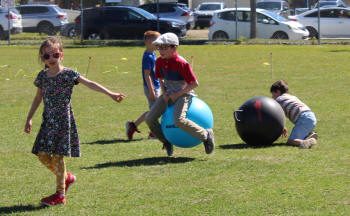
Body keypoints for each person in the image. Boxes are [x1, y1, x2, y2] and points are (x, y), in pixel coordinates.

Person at [24, 37, 125, 206]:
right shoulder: (42, 76)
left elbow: (90, 84)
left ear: (61, 55)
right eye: (46, 56)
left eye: (54, 54)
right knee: (41, 154)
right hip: (48, 122)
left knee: (58, 157)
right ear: (42, 59)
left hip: (63, 121)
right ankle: (66, 178)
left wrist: (111, 93)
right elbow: (37, 98)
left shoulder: (69, 74)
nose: (51, 59)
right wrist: (29, 118)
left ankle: (60, 195)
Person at [145, 32, 215, 156]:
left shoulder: (181, 63)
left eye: (164, 47)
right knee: (149, 119)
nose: (161, 50)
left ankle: (205, 135)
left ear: (174, 47)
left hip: (184, 94)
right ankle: (166, 141)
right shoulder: (159, 61)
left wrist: (178, 94)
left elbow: (194, 83)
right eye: (159, 47)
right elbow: (160, 78)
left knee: (179, 120)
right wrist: (164, 92)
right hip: (168, 94)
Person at [125, 31, 161, 140]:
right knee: (155, 111)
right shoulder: (148, 57)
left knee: (155, 111)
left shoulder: (153, 54)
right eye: (157, 41)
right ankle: (153, 132)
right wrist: (151, 90)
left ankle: (134, 125)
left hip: (156, 86)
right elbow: (147, 75)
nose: (159, 43)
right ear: (148, 42)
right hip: (151, 88)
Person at [270, 80, 318, 148]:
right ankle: (310, 135)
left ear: (278, 91)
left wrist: (282, 126)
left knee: (291, 141)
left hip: (303, 118)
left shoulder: (279, 100)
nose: (272, 97)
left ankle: (305, 142)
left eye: (273, 94)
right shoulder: (292, 97)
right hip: (310, 116)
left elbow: (277, 115)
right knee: (300, 132)